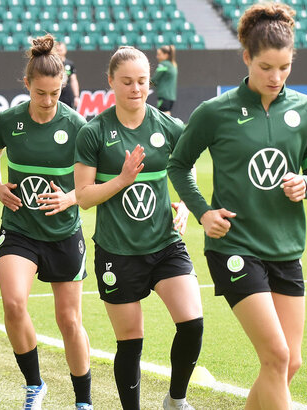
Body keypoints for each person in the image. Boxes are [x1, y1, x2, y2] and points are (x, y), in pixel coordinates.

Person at [167, 4, 307, 409]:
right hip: (234, 247)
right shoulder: (214, 113)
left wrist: (305, 184)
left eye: (285, 68)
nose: (276, 78)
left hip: (286, 247)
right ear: (246, 58)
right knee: (275, 356)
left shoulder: (306, 111)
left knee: (290, 364)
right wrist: (203, 211)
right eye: (266, 67)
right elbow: (179, 164)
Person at [74, 46, 204, 410]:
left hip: (165, 244)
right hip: (118, 251)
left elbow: (185, 170)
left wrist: (185, 207)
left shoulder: (169, 127)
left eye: (142, 81)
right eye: (127, 81)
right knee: (130, 341)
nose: (136, 88)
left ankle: (175, 400)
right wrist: (122, 179)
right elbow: (83, 196)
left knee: (192, 323)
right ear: (111, 82)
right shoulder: (94, 132)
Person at [0, 34, 92, 410]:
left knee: (69, 321)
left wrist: (71, 197)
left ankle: (84, 402)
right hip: (19, 230)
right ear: (27, 84)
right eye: (41, 93)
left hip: (64, 234)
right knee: (13, 304)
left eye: (55, 94)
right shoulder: (9, 121)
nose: (47, 101)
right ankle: (34, 386)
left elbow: (95, 184)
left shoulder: (78, 125)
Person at [153, 45, 178, 116]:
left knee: (162, 116)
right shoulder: (173, 65)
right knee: (167, 114)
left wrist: (144, 84)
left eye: (159, 55)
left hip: (163, 96)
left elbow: (154, 79)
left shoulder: (163, 64)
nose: (157, 57)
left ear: (166, 55)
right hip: (171, 97)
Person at [55, 42, 80, 110]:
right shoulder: (52, 64)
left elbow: (73, 80)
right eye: (58, 50)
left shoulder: (69, 64)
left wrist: (76, 96)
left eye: (61, 50)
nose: (59, 52)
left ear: (65, 50)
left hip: (67, 92)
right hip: (55, 90)